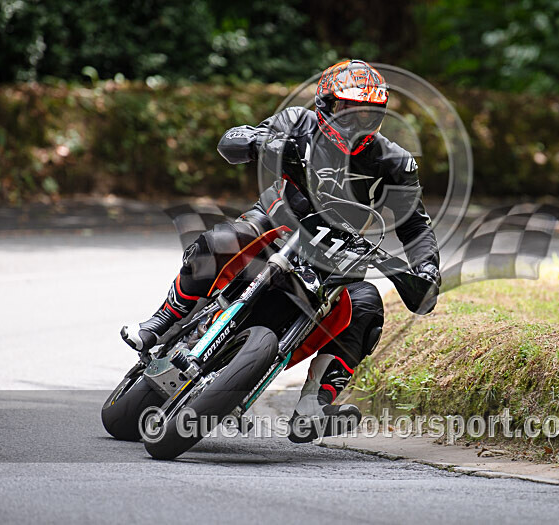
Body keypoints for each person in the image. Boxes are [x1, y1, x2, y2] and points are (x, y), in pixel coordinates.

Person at [121, 59, 440, 441]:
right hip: (275, 223)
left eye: (369, 114)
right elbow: (231, 142)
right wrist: (260, 142)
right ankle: (161, 321)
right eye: (347, 111)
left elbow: (415, 224)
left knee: (367, 303)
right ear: (324, 103)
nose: (356, 123)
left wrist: (427, 269)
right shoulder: (297, 122)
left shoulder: (395, 162)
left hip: (336, 251)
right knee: (222, 241)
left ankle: (314, 404)